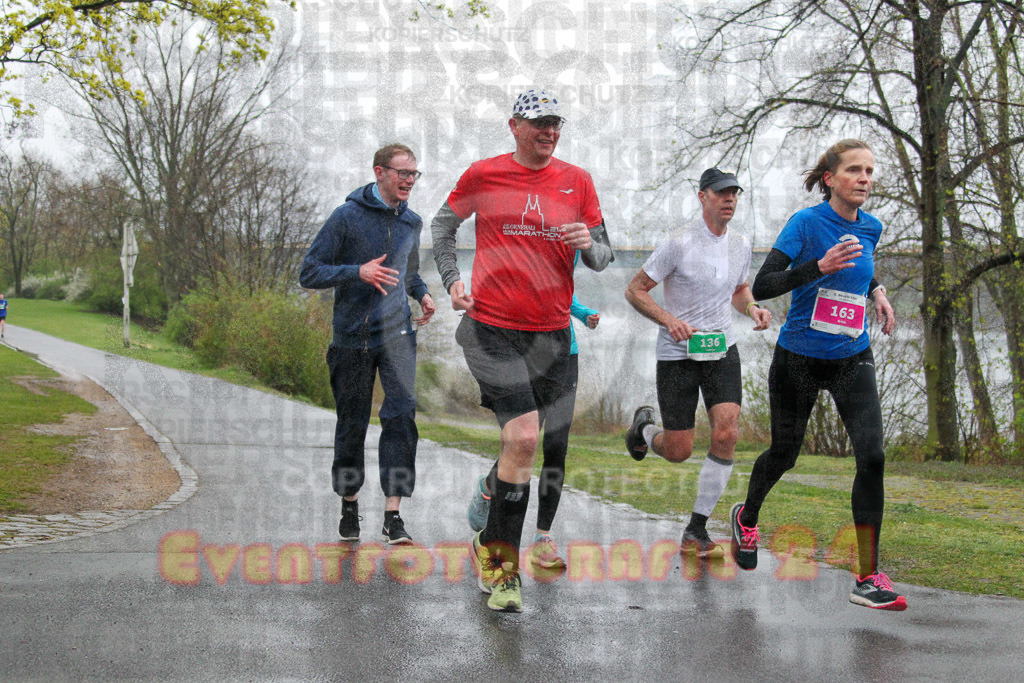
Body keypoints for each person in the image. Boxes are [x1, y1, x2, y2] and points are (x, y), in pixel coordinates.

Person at [432, 89, 613, 611]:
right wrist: (451, 282)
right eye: (539, 123)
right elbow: (442, 228)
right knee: (525, 436)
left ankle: (486, 525)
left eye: (556, 123)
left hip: (552, 335)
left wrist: (589, 245)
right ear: (514, 126)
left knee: (523, 446)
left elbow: (604, 256)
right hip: (491, 328)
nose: (550, 132)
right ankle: (504, 571)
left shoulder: (577, 181)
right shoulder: (483, 174)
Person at [729, 138, 905, 611]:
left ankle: (867, 576)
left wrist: (879, 292)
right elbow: (764, 285)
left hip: (852, 355)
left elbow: (860, 267)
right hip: (799, 358)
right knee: (785, 454)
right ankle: (747, 516)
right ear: (830, 178)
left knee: (873, 456)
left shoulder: (872, 226)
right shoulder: (805, 224)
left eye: (869, 171)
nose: (864, 179)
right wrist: (817, 267)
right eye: (854, 170)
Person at [623, 168, 771, 558]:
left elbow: (739, 290)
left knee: (726, 431)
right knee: (679, 450)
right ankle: (643, 430)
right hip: (678, 354)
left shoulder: (740, 243)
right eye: (722, 193)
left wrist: (753, 308)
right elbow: (635, 290)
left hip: (721, 348)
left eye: (735, 193)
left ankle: (696, 529)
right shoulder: (679, 242)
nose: (730, 199)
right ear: (703, 196)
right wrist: (669, 321)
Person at [299, 143, 435, 546]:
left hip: (398, 337)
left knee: (402, 419)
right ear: (380, 173)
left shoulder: (412, 222)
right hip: (352, 339)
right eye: (402, 173)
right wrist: (357, 272)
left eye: (414, 174)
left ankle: (393, 515)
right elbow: (310, 272)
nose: (409, 180)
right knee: (352, 424)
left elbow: (407, 273)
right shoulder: (346, 217)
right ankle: (349, 503)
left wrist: (422, 293)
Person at [466, 274, 601, 572]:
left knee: (556, 445)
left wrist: (583, 313)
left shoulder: (569, 242)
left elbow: (566, 296)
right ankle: (489, 487)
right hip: (534, 352)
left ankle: (543, 537)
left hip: (567, 355)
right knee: (522, 439)